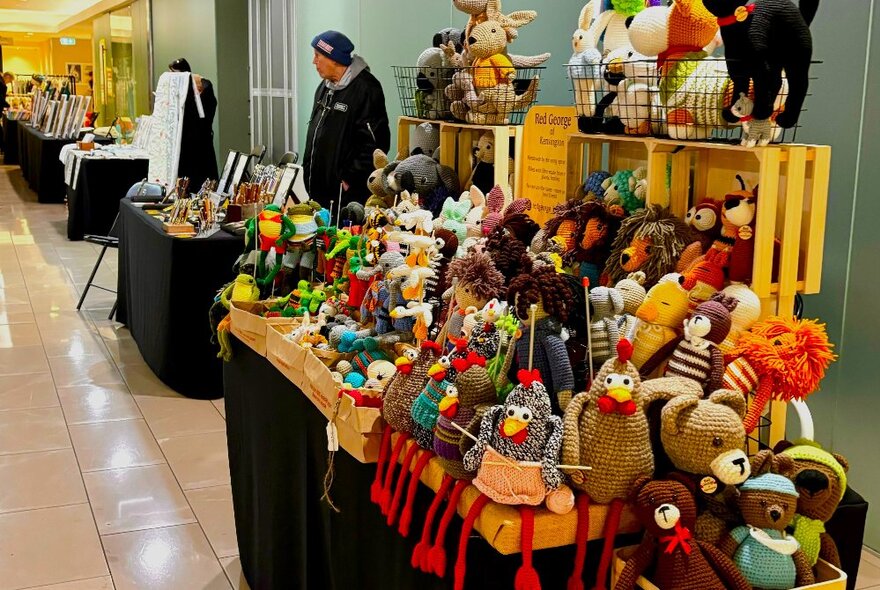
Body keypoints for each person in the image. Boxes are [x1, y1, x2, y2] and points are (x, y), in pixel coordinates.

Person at [303, 31, 391, 208]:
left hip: (347, 195)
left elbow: (376, 143)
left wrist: (349, 179)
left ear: (333, 58)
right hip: (319, 192)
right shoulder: (324, 87)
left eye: (317, 56)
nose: (314, 62)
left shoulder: (366, 88)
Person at [169, 58, 219, 189]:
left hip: (200, 147)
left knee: (200, 183)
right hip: (187, 147)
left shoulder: (205, 88)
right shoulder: (183, 91)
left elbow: (204, 118)